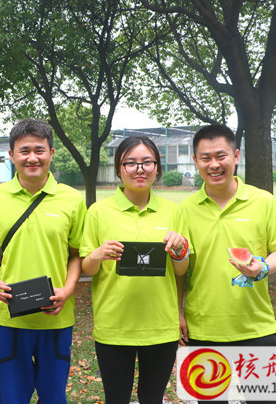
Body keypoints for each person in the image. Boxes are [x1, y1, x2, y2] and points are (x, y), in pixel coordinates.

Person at [179, 123, 276, 404]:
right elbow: (180, 271)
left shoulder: (263, 201)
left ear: (236, 156)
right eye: (205, 158)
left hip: (256, 326)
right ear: (195, 161)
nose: (214, 164)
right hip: (203, 328)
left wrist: (262, 268)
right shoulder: (184, 209)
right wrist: (177, 312)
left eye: (221, 156)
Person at [0, 118, 87, 404]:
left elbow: (76, 253)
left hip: (55, 317)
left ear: (51, 153)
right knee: (12, 398)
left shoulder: (72, 200)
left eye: (39, 150)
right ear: (11, 155)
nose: (32, 158)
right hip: (9, 317)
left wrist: (68, 290)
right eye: (24, 151)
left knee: (53, 398)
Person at [80, 135, 190, 404]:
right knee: (116, 398)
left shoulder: (173, 212)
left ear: (157, 168)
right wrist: (97, 254)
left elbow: (180, 270)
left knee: (152, 398)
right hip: (114, 326)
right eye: (130, 163)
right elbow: (87, 269)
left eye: (147, 162)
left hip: (160, 325)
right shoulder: (98, 212)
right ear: (119, 169)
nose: (139, 169)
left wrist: (180, 249)